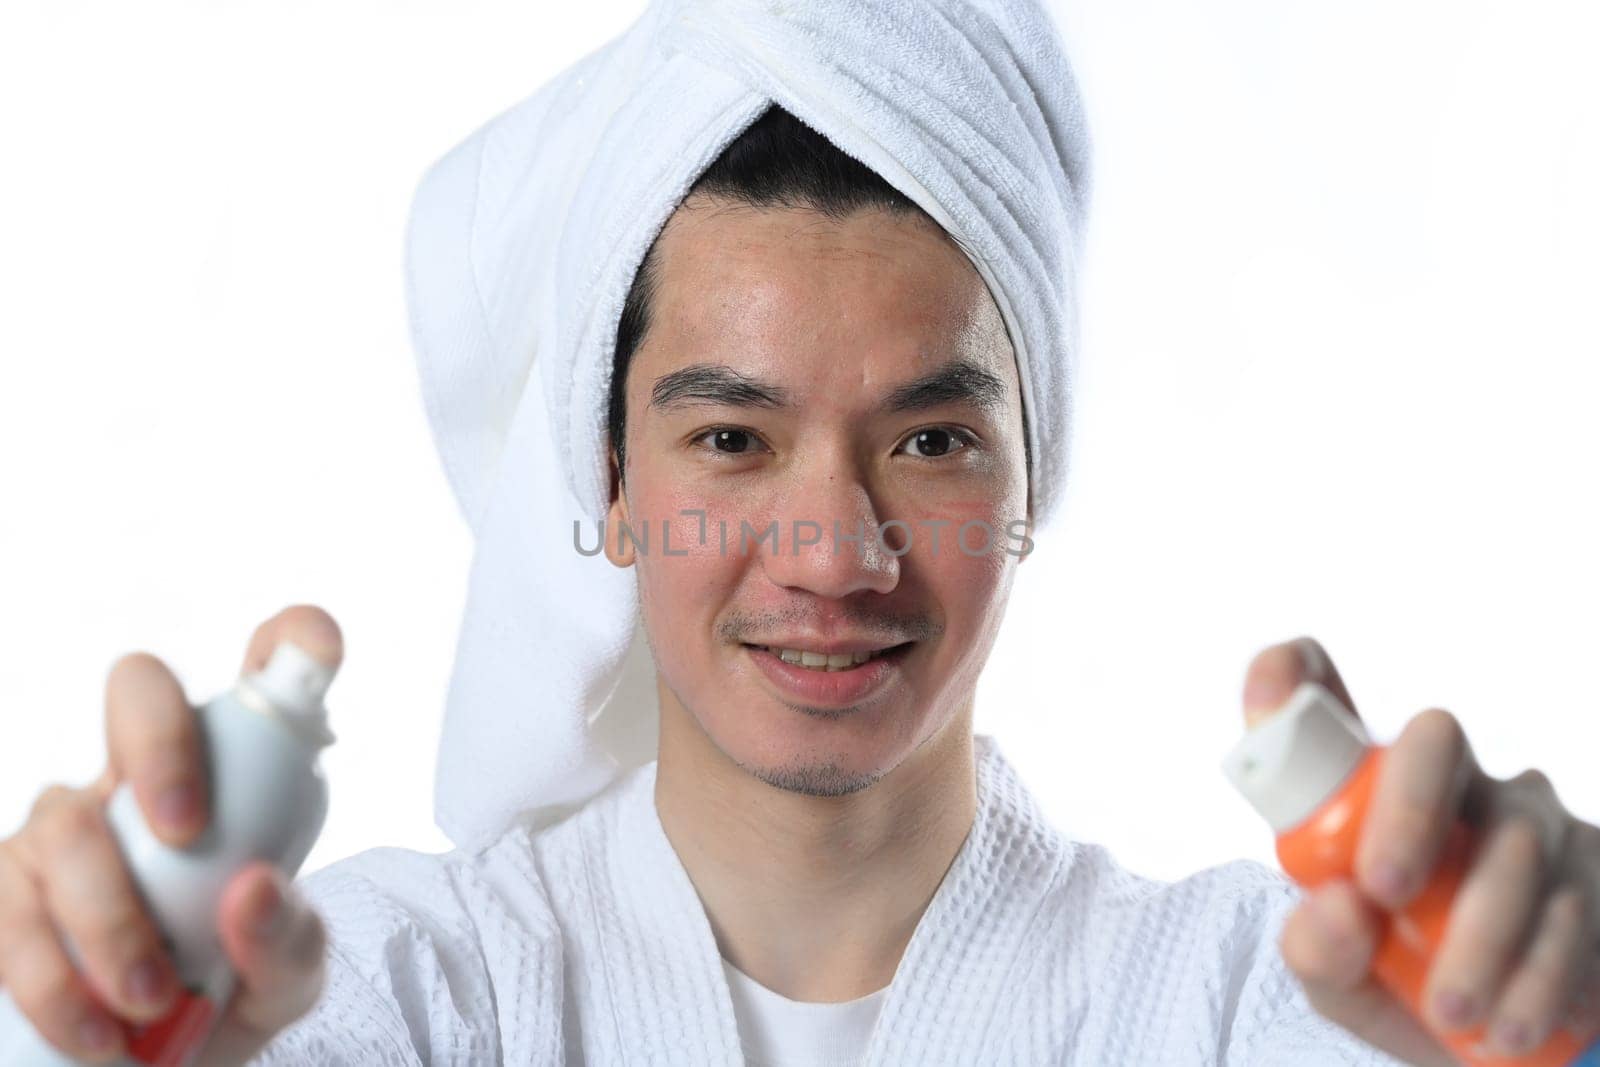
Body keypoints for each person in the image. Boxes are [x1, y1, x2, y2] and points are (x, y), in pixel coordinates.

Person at [2, 4, 1598, 1066]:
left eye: (929, 439)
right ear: (609, 490)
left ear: (1035, 477)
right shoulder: (386, 1001)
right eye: (730, 440)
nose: (833, 554)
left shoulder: (1274, 1007)